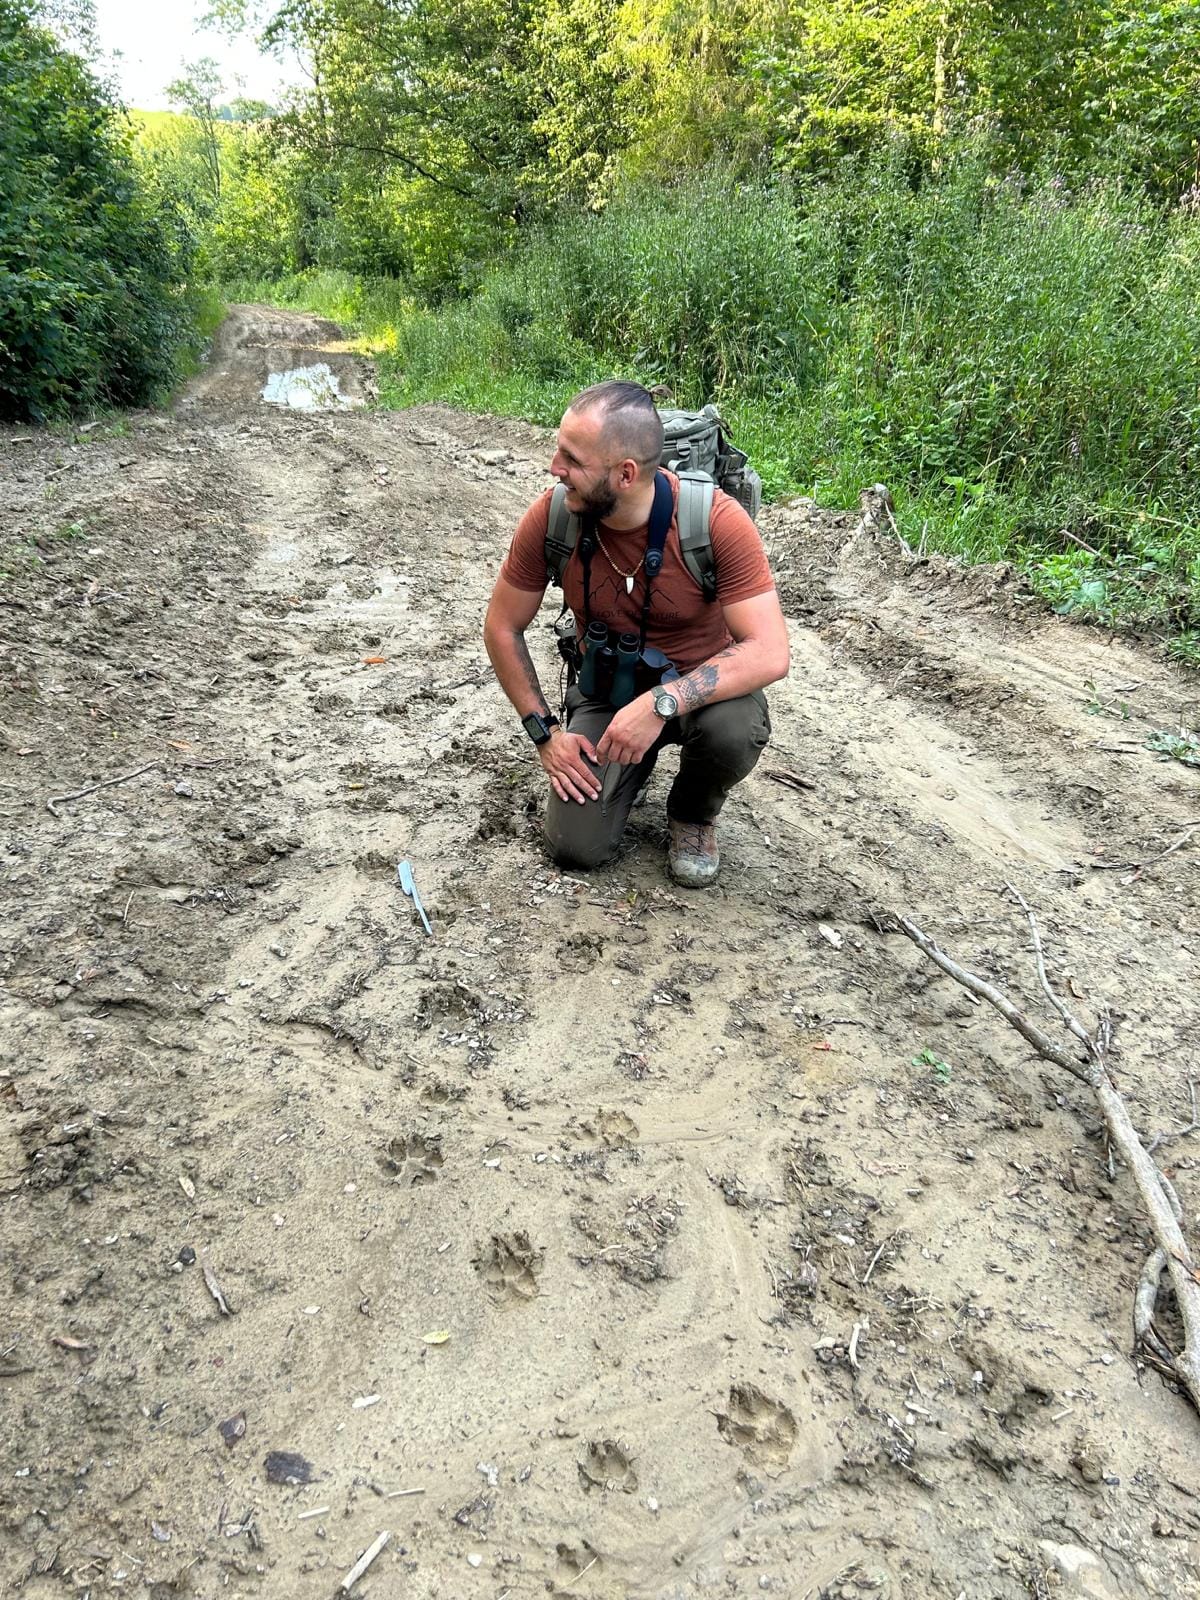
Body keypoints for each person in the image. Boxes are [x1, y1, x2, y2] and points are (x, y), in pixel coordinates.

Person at [483, 380, 789, 887]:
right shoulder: (555, 515)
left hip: (697, 697)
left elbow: (771, 652)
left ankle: (693, 812)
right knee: (575, 847)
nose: (555, 469)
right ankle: (629, 772)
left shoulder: (714, 523)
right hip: (607, 690)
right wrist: (546, 736)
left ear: (626, 474)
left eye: (572, 460)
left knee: (733, 731)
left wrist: (661, 704)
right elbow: (502, 625)